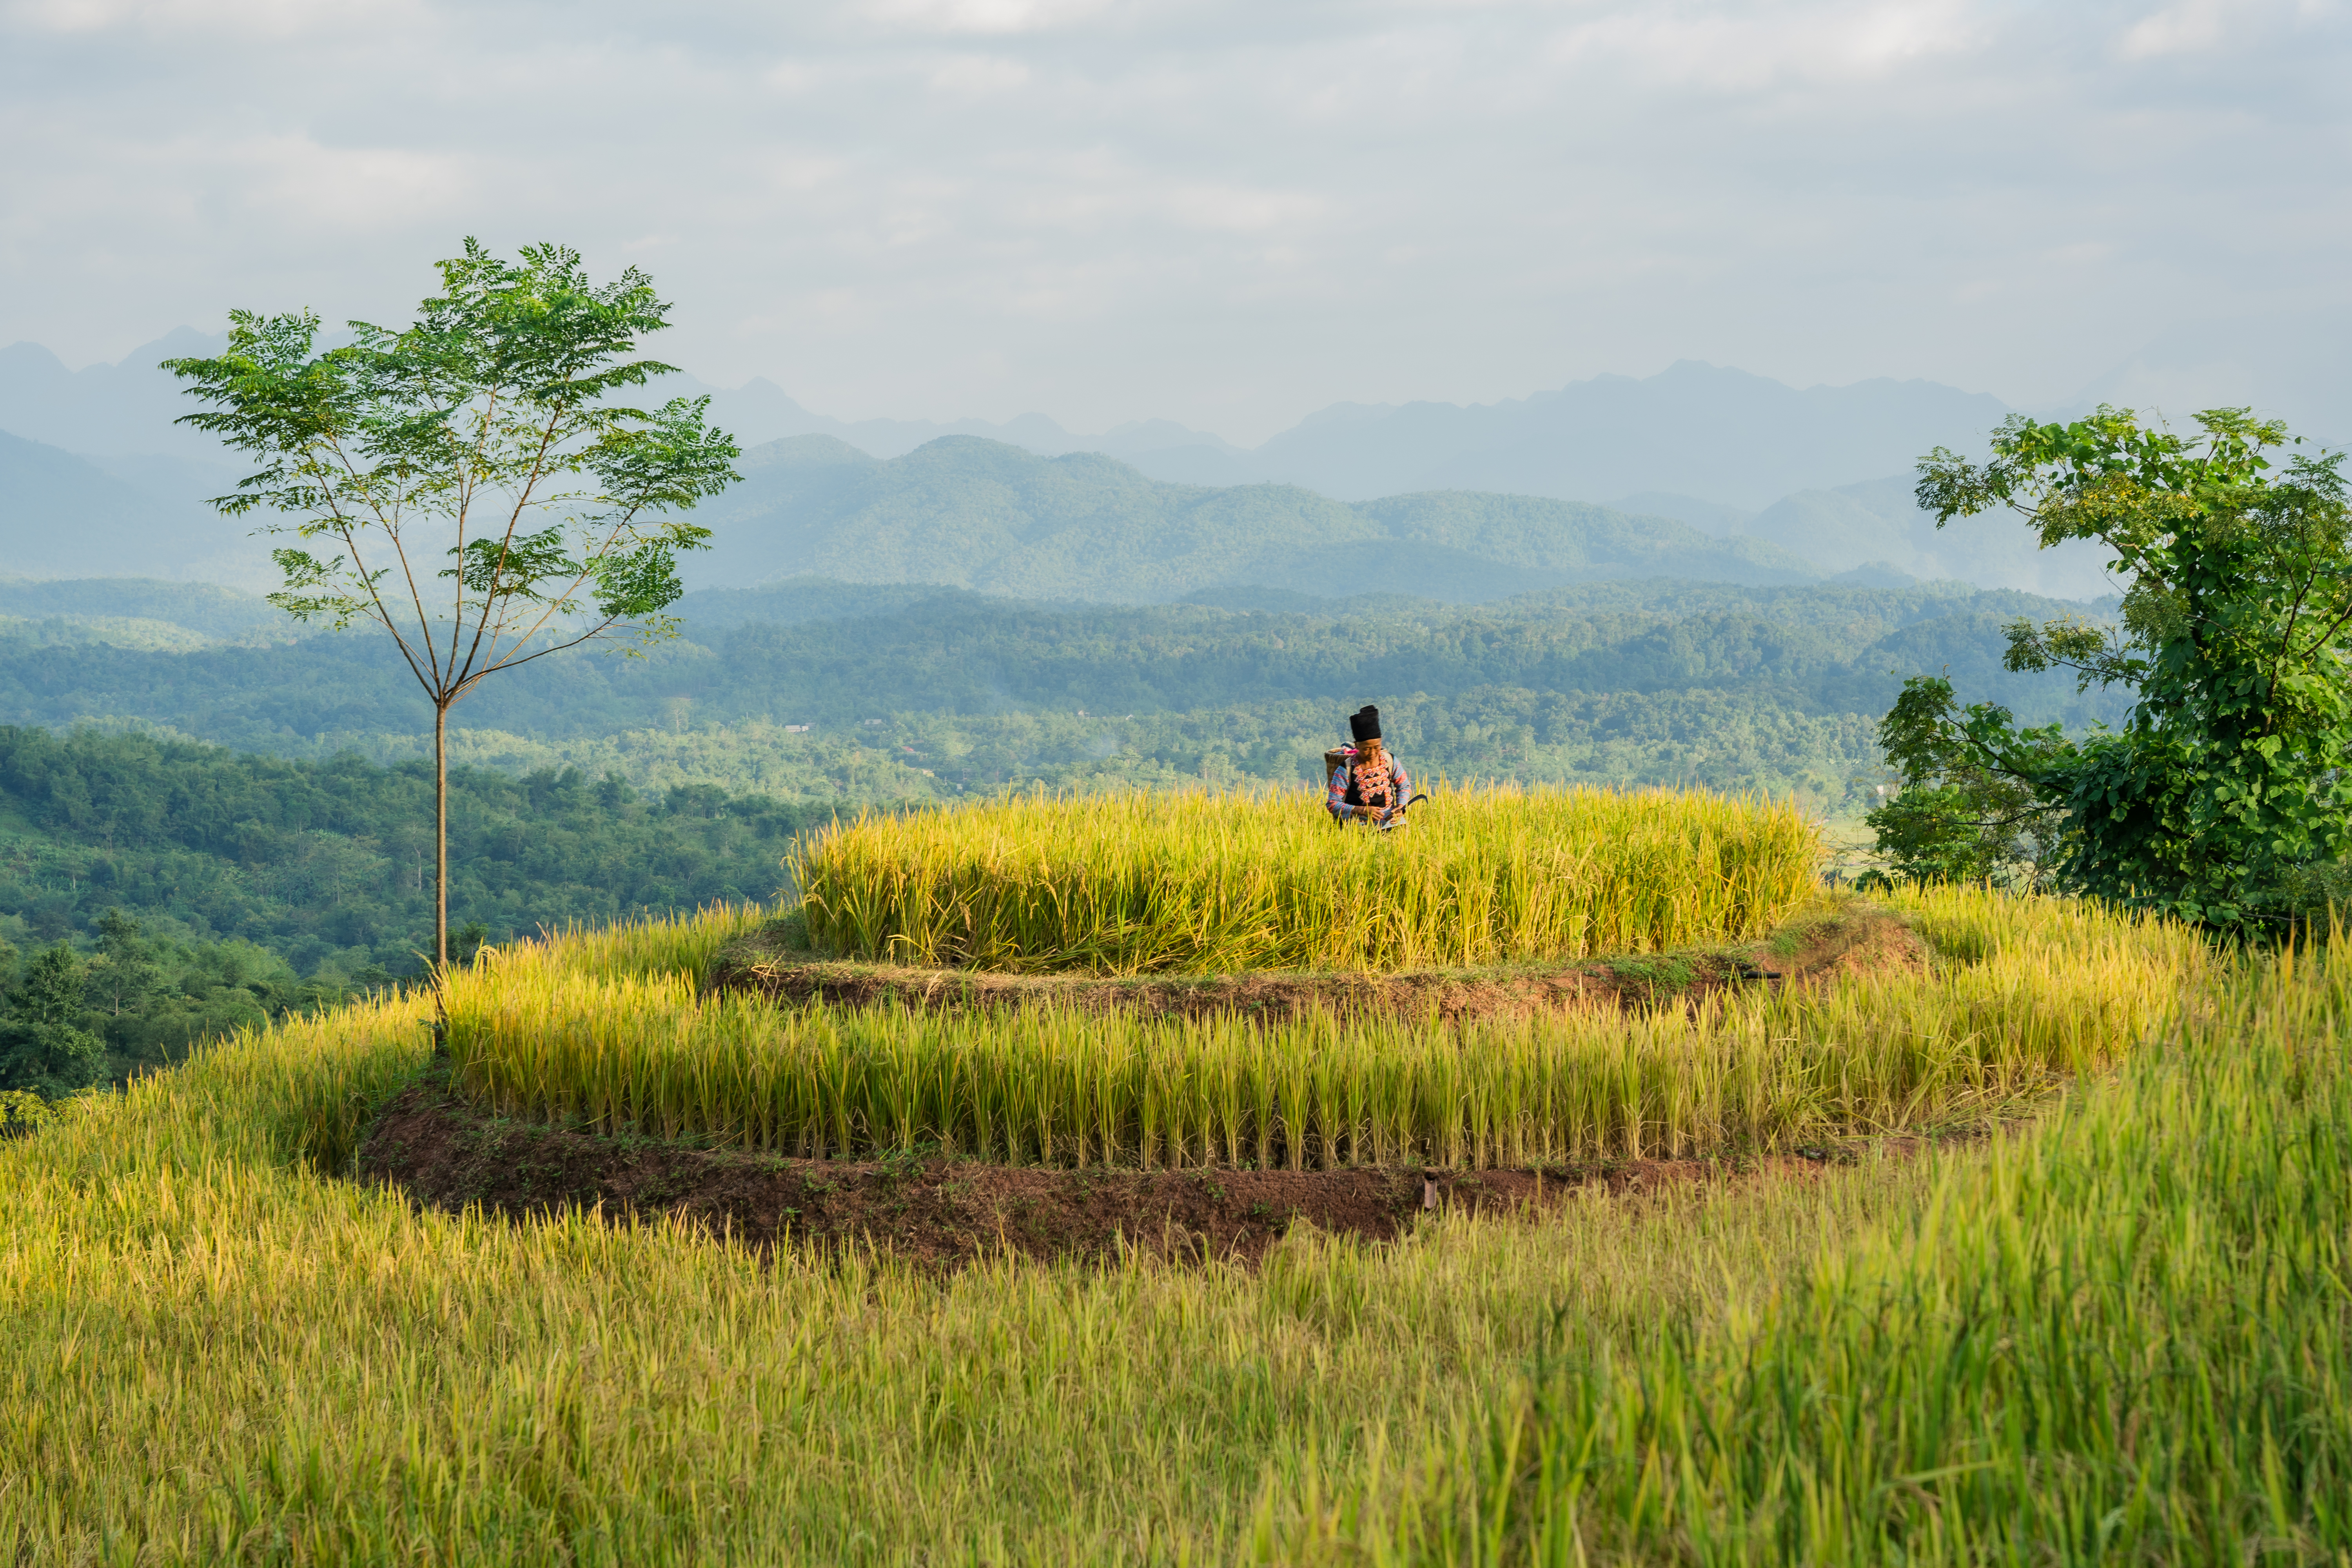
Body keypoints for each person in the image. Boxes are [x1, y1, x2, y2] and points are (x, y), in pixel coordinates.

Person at [1327, 705, 1413, 827]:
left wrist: (1400, 807)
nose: (1373, 753)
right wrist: (1361, 810)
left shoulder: (1390, 760)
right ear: (1357, 746)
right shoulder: (1346, 769)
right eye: (1367, 749)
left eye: (1377, 747)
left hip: (1392, 824)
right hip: (1358, 830)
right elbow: (1332, 804)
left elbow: (1404, 786)